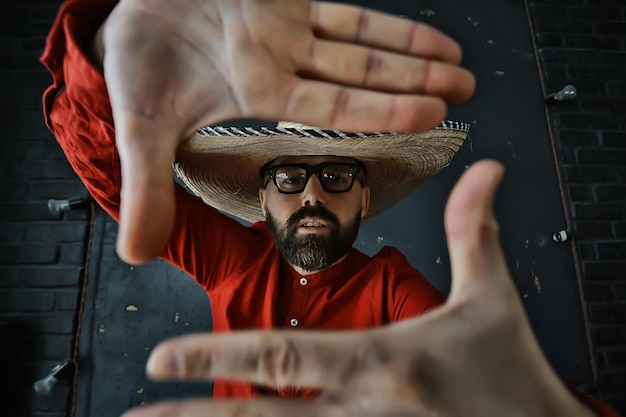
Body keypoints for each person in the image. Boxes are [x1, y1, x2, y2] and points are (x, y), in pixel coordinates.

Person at [41, 0, 620, 416]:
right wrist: (101, 60)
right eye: (290, 177)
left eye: (337, 176)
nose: (313, 194)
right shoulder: (231, 260)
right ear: (262, 195)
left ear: (365, 197)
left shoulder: (391, 287)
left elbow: (465, 364)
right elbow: (111, 174)